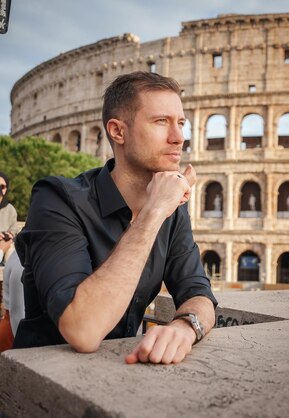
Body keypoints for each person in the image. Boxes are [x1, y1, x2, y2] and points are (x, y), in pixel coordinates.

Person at [14, 71, 217, 365]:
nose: (178, 138)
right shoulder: (57, 199)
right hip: (37, 388)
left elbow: (199, 292)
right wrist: (154, 212)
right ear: (118, 131)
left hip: (119, 377)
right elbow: (83, 330)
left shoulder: (173, 212)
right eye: (161, 122)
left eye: (181, 123)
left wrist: (186, 327)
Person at [0, 251, 25, 352]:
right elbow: (17, 312)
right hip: (14, 332)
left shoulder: (19, 253)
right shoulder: (21, 259)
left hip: (15, 328)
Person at [0, 172, 19, 264]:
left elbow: (14, 230)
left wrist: (4, 236)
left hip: (6, 243)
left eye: (2, 187)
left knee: (11, 248)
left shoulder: (10, 209)